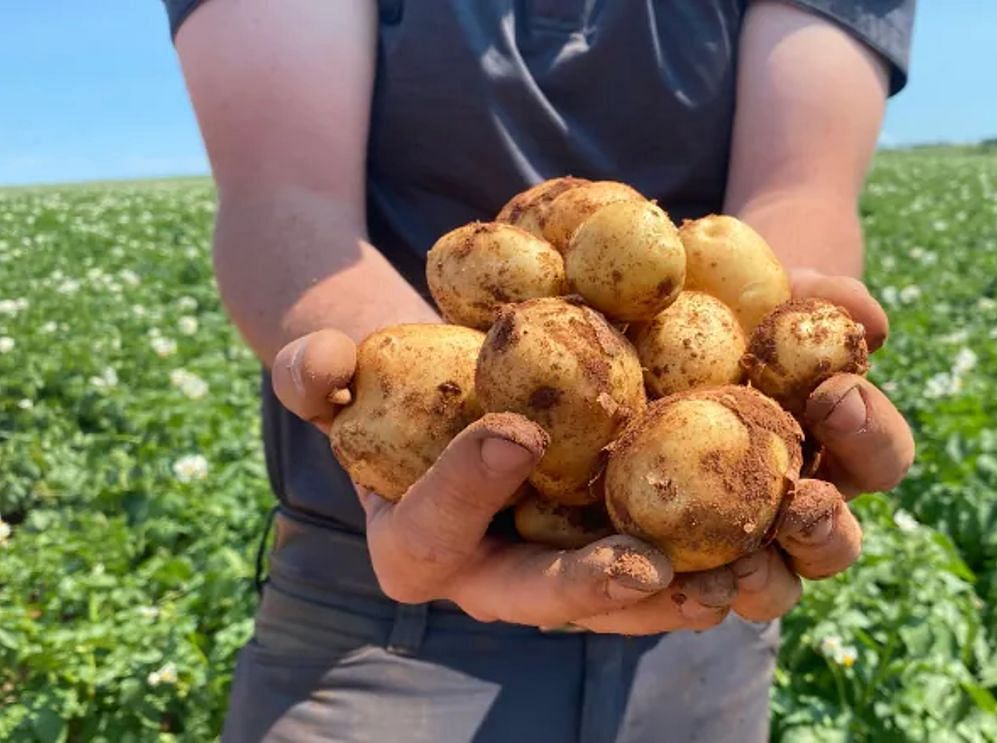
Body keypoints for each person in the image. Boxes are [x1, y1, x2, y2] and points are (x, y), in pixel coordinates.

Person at [164, 1, 916, 740]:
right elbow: (285, 196)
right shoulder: (529, 318)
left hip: (701, 598)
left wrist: (774, 376)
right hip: (369, 605)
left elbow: (800, 189)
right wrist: (445, 465)